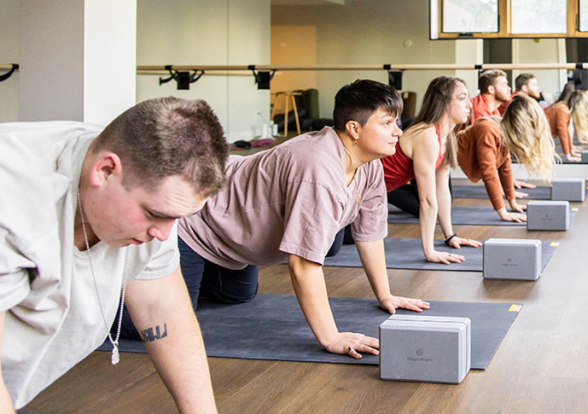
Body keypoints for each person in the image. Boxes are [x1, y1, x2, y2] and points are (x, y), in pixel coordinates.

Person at [168, 80, 428, 359]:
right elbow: (302, 264)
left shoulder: (371, 166)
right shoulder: (317, 170)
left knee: (238, 296)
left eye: (396, 121)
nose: (398, 132)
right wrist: (331, 337)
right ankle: (146, 277)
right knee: (168, 321)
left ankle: (194, 274)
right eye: (387, 123)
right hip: (198, 221)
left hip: (235, 235)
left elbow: (370, 234)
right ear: (354, 128)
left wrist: (385, 295)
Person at [0, 97, 227, 413]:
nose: (163, 234)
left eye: (175, 218)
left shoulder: (146, 177)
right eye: (154, 214)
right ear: (105, 170)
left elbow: (161, 307)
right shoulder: (12, 199)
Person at [382, 76, 480, 264]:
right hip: (354, 192)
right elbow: (427, 200)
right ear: (443, 102)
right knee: (337, 244)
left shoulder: (447, 137)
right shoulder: (427, 135)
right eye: (461, 98)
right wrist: (430, 252)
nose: (469, 105)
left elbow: (442, 192)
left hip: (376, 193)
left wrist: (450, 236)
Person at [456, 96, 557, 223]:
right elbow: (489, 173)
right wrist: (503, 213)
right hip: (442, 156)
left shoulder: (503, 129)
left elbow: (505, 168)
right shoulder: (489, 130)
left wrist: (513, 203)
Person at [544, 90, 588, 162]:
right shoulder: (562, 110)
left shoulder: (564, 108)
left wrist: (571, 151)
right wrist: (568, 155)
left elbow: (566, 133)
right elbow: (563, 133)